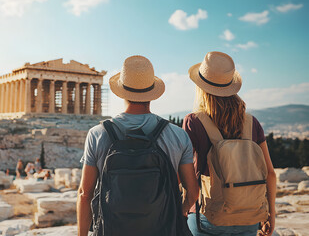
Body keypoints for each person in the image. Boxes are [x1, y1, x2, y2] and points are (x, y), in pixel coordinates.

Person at [77, 55, 198, 236]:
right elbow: (193, 191)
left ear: (122, 93)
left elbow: (84, 194)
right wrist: (178, 212)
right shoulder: (177, 135)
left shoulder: (97, 134)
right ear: (152, 93)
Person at [183, 51, 276, 236]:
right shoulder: (251, 123)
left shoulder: (194, 121)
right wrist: (270, 214)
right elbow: (270, 173)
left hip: (207, 216)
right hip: (249, 216)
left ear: (201, 87)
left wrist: (182, 209)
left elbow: (189, 177)